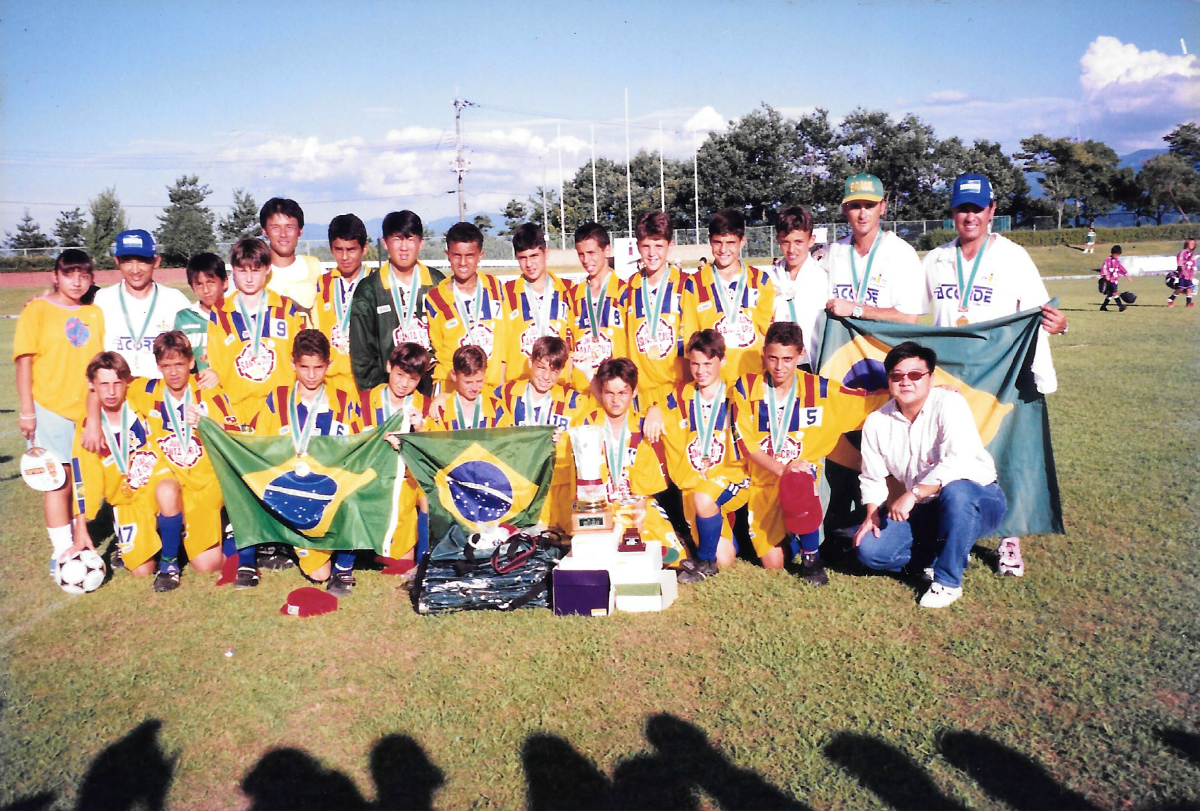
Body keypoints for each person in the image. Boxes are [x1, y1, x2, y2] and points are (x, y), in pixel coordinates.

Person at [923, 173, 1068, 577]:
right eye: (962, 209)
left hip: (1001, 374)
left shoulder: (1013, 257)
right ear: (953, 212)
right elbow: (909, 314)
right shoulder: (935, 260)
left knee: (1002, 453)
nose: (970, 216)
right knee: (950, 454)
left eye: (977, 208)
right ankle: (957, 535)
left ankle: (1009, 540)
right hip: (951, 378)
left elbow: (1041, 312)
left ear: (992, 211)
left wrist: (1060, 325)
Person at [853, 342, 1007, 609]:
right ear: (888, 380)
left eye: (915, 375)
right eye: (897, 376)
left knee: (956, 491)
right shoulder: (877, 422)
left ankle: (947, 582)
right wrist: (872, 515)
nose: (906, 382)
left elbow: (958, 460)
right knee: (870, 551)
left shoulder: (949, 403)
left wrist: (913, 494)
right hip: (924, 509)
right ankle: (947, 553)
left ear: (931, 378)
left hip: (978, 499)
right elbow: (872, 477)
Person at [731, 322, 888, 583]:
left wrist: (930, 392)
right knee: (774, 564)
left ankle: (811, 557)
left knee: (801, 476)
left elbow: (869, 400)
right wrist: (783, 469)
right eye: (773, 358)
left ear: (801, 354)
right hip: (763, 479)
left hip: (802, 479)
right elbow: (746, 444)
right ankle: (795, 536)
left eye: (787, 359)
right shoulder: (746, 387)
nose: (779, 366)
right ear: (763, 353)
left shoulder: (821, 390)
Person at [244, 330, 364, 593]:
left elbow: (361, 444)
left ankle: (344, 568)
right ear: (293, 364)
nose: (311, 375)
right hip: (291, 492)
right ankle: (276, 544)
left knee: (360, 486)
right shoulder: (277, 399)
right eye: (304, 367)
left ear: (329, 365)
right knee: (319, 574)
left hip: (330, 490)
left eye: (318, 368)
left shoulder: (343, 400)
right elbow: (257, 447)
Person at [14, 249, 106, 574]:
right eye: (69, 274)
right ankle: (62, 551)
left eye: (84, 275)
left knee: (83, 479)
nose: (77, 282)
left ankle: (80, 538)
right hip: (49, 407)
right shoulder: (37, 309)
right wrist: (28, 411)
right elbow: (24, 362)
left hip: (86, 410)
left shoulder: (94, 313)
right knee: (57, 480)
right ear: (55, 276)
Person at [125, 332, 238, 591]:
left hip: (204, 481)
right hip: (169, 475)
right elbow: (103, 381)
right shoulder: (148, 390)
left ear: (191, 362)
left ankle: (234, 534)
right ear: (158, 366)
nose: (173, 372)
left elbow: (235, 431)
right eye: (166, 365)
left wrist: (208, 424)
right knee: (165, 489)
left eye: (179, 364)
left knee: (207, 565)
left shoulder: (207, 389)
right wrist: (93, 421)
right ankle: (169, 563)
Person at [568, 358, 686, 564]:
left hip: (635, 506)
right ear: (600, 392)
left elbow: (643, 491)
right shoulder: (588, 425)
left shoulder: (641, 426)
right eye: (609, 393)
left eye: (622, 393)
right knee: (594, 555)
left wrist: (635, 529)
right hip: (600, 507)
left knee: (673, 556)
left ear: (634, 391)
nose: (616, 400)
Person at [662, 331, 751, 584]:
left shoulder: (735, 394)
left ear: (722, 360)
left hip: (731, 475)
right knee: (726, 558)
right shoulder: (682, 395)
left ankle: (703, 561)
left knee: (705, 497)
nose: (701, 371)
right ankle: (719, 542)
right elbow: (658, 409)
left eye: (708, 364)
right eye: (695, 364)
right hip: (698, 481)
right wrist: (654, 411)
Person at [68, 352, 162, 577]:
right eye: (104, 384)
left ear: (127, 382)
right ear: (91, 384)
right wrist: (81, 528)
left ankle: (172, 546)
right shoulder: (88, 430)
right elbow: (83, 480)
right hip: (127, 502)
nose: (111, 392)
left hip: (158, 488)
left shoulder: (139, 401)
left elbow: (173, 381)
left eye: (117, 383)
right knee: (142, 571)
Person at [494, 336, 586, 530]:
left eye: (554, 371)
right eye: (541, 368)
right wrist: (443, 397)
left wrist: (588, 372)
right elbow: (474, 400)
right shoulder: (507, 393)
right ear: (530, 363)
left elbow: (606, 407)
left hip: (559, 489)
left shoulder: (572, 400)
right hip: (522, 488)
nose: (546, 377)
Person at [349, 210, 445, 391]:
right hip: (388, 392)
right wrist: (378, 396)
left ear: (421, 242)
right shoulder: (369, 289)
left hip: (431, 390)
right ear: (385, 243)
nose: (404, 247)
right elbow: (362, 355)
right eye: (397, 239)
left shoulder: (437, 282)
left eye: (410, 239)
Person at [682, 209, 775, 385]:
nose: (723, 249)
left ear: (742, 242)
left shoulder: (760, 280)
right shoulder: (694, 284)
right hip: (712, 383)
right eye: (718, 242)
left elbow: (766, 335)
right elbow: (690, 339)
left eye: (730, 242)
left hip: (752, 380)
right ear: (710, 241)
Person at [822, 174, 924, 324]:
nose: (863, 214)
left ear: (882, 207)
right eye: (855, 206)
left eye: (869, 205)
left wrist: (857, 310)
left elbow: (909, 317)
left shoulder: (902, 254)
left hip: (883, 340)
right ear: (844, 208)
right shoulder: (834, 252)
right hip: (843, 340)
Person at [363, 342, 433, 563]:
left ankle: (424, 561)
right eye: (400, 375)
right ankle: (352, 557)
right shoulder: (365, 401)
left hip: (408, 481)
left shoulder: (425, 405)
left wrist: (419, 430)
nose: (404, 384)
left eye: (413, 379)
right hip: (374, 477)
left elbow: (433, 452)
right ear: (388, 367)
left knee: (429, 497)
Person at [93, 229, 190, 379]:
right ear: (117, 262)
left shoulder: (176, 300)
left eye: (142, 260)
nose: (135, 269)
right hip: (116, 389)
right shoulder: (102, 299)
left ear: (156, 261)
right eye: (127, 261)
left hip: (160, 389)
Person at [425, 222, 506, 392]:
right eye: (456, 255)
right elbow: (438, 348)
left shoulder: (496, 287)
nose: (462, 262)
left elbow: (505, 339)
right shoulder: (435, 298)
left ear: (480, 255)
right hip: (451, 389)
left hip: (491, 387)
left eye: (469, 255)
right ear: (447, 254)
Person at [626, 211, 690, 406]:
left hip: (678, 391)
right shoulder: (629, 287)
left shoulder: (686, 285)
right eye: (646, 246)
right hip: (641, 393)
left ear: (670, 245)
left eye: (658, 246)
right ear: (638, 246)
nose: (652, 253)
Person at [497, 223, 574, 382]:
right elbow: (502, 352)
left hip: (559, 386)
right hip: (520, 386)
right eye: (522, 258)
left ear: (546, 253)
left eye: (534, 256)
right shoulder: (507, 293)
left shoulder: (569, 290)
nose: (529, 264)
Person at [567, 222, 629, 393]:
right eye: (581, 254)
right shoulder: (573, 295)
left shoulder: (625, 292)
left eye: (591, 253)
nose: (586, 260)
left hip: (616, 391)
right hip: (581, 390)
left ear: (607, 250)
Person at [311, 214, 370, 392]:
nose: (344, 257)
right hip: (329, 385)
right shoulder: (321, 285)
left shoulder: (376, 284)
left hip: (366, 384)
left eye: (351, 249)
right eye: (338, 249)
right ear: (331, 249)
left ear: (364, 249)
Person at [768, 205, 828, 368]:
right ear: (778, 240)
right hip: (779, 364)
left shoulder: (823, 278)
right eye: (785, 242)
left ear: (811, 240)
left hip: (814, 363)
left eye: (798, 242)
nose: (791, 249)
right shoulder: (769, 279)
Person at [259, 197, 323, 316]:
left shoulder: (315, 267)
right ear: (264, 231)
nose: (283, 234)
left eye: (289, 227)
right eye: (275, 227)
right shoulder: (254, 271)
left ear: (300, 231)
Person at [427, 345, 511, 430]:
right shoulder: (440, 410)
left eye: (479, 381)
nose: (474, 388)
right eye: (468, 382)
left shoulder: (498, 408)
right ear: (454, 375)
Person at [173, 252, 227, 376]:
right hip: (196, 385)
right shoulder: (184, 318)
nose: (206, 290)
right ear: (192, 287)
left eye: (211, 282)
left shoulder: (236, 315)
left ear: (224, 282)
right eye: (199, 284)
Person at [1099, 245, 1129, 312]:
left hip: (1115, 280)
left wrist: (1126, 275)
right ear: (1112, 253)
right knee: (1115, 292)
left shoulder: (1117, 261)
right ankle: (1120, 306)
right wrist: (1105, 275)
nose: (1117, 256)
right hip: (1109, 281)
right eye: (1116, 254)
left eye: (1118, 255)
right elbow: (1104, 268)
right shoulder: (1107, 260)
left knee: (1110, 294)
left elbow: (1121, 268)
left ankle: (1103, 307)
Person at [1168, 237, 1196, 307]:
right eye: (1191, 243)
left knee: (1189, 288)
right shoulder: (1182, 253)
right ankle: (1171, 299)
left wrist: (1192, 274)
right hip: (1182, 275)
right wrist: (1184, 272)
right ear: (1187, 244)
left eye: (1194, 244)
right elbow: (1180, 264)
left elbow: (1192, 265)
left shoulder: (1192, 254)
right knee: (1180, 288)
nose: (1192, 245)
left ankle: (1188, 303)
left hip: (1189, 275)